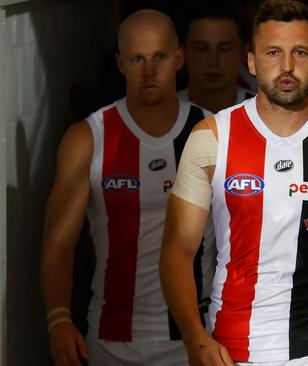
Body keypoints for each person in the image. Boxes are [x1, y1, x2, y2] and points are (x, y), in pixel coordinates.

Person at [159, 1, 308, 365]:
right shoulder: (211, 138)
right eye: (274, 52)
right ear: (252, 61)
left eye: (299, 52)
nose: (286, 66)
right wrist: (195, 337)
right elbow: (178, 250)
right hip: (233, 348)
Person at [40, 9, 215, 366]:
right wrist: (58, 320)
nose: (149, 71)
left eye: (159, 57)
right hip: (109, 342)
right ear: (120, 63)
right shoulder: (88, 138)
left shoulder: (211, 132)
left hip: (194, 340)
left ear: (179, 58)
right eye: (137, 59)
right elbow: (58, 243)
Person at [178, 3, 254, 114]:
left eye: (225, 49)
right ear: (183, 52)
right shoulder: (164, 110)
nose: (213, 62)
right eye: (201, 49)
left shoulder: (263, 113)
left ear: (244, 52)